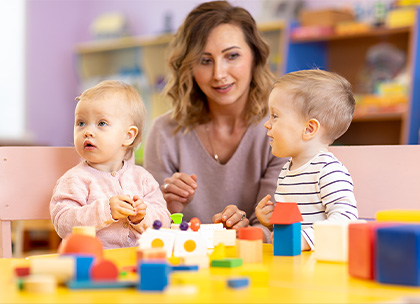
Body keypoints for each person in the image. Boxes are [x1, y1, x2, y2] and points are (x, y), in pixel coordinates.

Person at [143, 0, 287, 241]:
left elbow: (276, 226)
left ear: (255, 57)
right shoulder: (164, 133)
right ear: (188, 67)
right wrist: (169, 208)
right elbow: (153, 228)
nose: (219, 74)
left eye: (232, 56)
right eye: (205, 60)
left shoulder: (280, 131)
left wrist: (245, 231)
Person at [50, 80, 171, 249]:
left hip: (139, 261)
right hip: (93, 262)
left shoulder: (142, 178)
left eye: (101, 123)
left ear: (128, 136)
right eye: (81, 123)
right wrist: (104, 211)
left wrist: (143, 217)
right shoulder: (74, 179)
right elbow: (63, 224)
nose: (88, 132)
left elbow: (164, 221)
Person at [255, 69, 359, 250]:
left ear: (309, 129)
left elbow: (346, 219)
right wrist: (271, 222)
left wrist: (305, 239)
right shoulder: (288, 170)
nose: (267, 123)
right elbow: (296, 224)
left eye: (275, 116)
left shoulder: (329, 170)